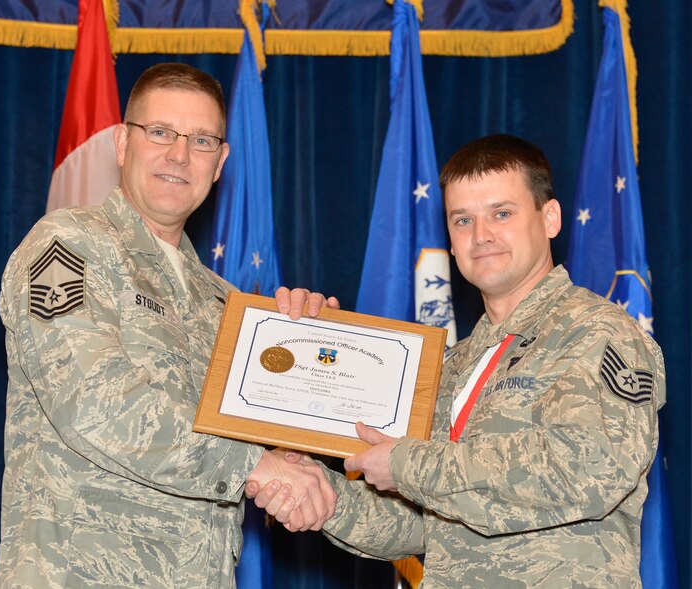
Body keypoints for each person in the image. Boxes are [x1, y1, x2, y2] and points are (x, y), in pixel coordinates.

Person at [250, 134, 666, 587]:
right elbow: (417, 522)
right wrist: (319, 495)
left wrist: (408, 465)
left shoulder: (596, 331)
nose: (481, 235)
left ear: (550, 218)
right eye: (462, 220)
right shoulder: (454, 364)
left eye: (501, 214)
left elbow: (587, 471)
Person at [0, 63, 337, 588]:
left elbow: (261, 444)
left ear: (220, 162)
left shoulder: (225, 303)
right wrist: (254, 464)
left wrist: (316, 349)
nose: (179, 155)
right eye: (160, 133)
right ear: (122, 143)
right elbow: (93, 401)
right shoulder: (70, 246)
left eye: (201, 141)